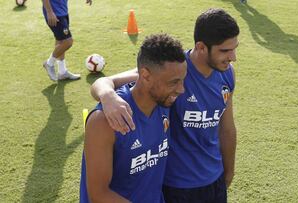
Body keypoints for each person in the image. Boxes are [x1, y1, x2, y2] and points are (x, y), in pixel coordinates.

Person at [91, 8, 239, 203]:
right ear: (202, 47)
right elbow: (107, 82)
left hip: (214, 180)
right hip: (177, 186)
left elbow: (227, 128)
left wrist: (228, 173)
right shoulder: (172, 71)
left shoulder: (225, 73)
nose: (233, 57)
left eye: (235, 48)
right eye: (225, 51)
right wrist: (107, 95)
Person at [79, 34, 187, 203]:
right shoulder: (105, 121)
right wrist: (106, 93)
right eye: (173, 82)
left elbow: (104, 81)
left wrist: (104, 90)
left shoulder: (162, 100)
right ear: (145, 76)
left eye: (182, 81)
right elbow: (99, 195)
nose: (181, 90)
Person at [42, 0, 91, 81]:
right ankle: (49, 63)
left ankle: (62, 72)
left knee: (60, 40)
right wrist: (50, 12)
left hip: (62, 11)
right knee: (68, 41)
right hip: (54, 14)